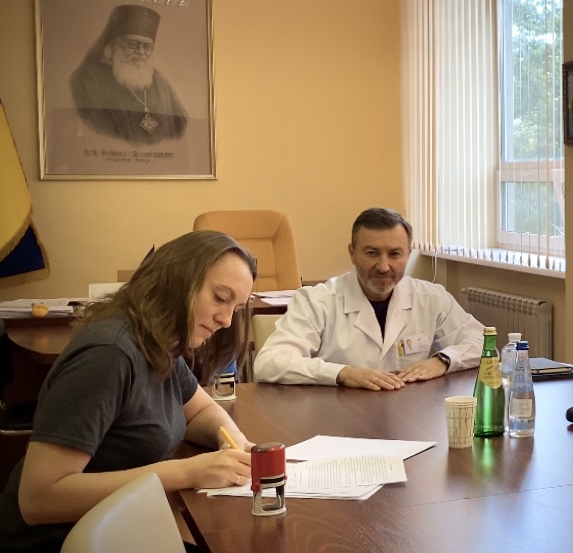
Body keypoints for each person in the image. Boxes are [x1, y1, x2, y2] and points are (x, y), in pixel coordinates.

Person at [0, 231, 258, 550]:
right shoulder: (110, 355)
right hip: (63, 542)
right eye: (219, 298)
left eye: (236, 308)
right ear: (176, 282)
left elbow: (201, 410)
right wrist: (187, 472)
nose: (227, 320)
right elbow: (38, 499)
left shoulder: (159, 341)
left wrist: (233, 440)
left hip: (125, 529)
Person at [254, 207, 483, 389]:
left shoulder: (430, 298)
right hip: (336, 417)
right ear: (352, 253)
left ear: (408, 254)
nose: (383, 266)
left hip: (407, 413)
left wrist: (443, 361)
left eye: (394, 254)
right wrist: (342, 373)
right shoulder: (317, 301)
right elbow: (269, 362)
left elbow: (482, 342)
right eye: (372, 253)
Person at [70, 4, 189, 145]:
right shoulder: (89, 79)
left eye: (147, 46)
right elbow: (97, 132)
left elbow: (179, 128)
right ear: (113, 45)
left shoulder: (159, 80)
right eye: (133, 44)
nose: (141, 52)